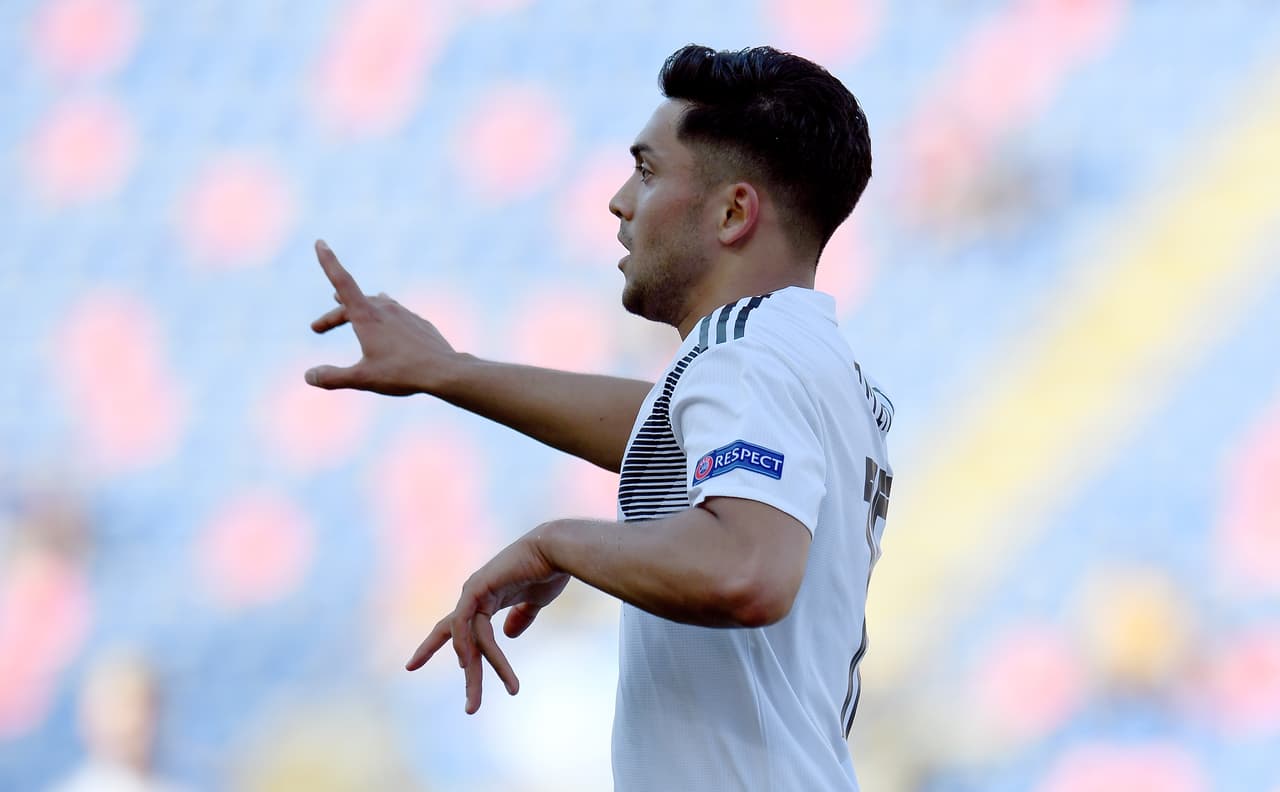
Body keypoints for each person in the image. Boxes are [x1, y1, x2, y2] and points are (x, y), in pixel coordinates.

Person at [306, 44, 892, 791]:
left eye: (646, 172)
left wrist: (557, 544)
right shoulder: (809, 358)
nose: (619, 201)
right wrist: (450, 372)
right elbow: (662, 428)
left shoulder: (745, 354)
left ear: (733, 212)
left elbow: (748, 570)